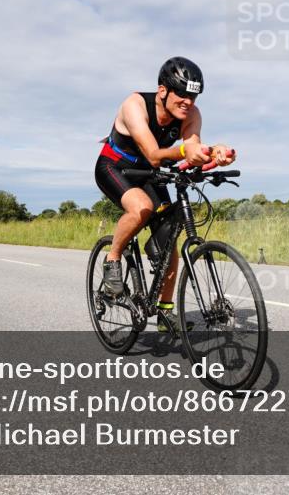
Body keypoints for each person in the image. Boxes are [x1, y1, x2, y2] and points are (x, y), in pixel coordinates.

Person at [94, 57, 234, 330]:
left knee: (170, 237)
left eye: (193, 95)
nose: (188, 101)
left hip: (149, 172)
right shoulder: (134, 105)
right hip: (115, 167)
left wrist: (215, 155)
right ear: (163, 91)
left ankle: (165, 312)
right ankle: (112, 261)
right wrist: (184, 151)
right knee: (141, 208)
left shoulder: (191, 115)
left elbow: (192, 151)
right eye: (181, 94)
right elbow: (156, 155)